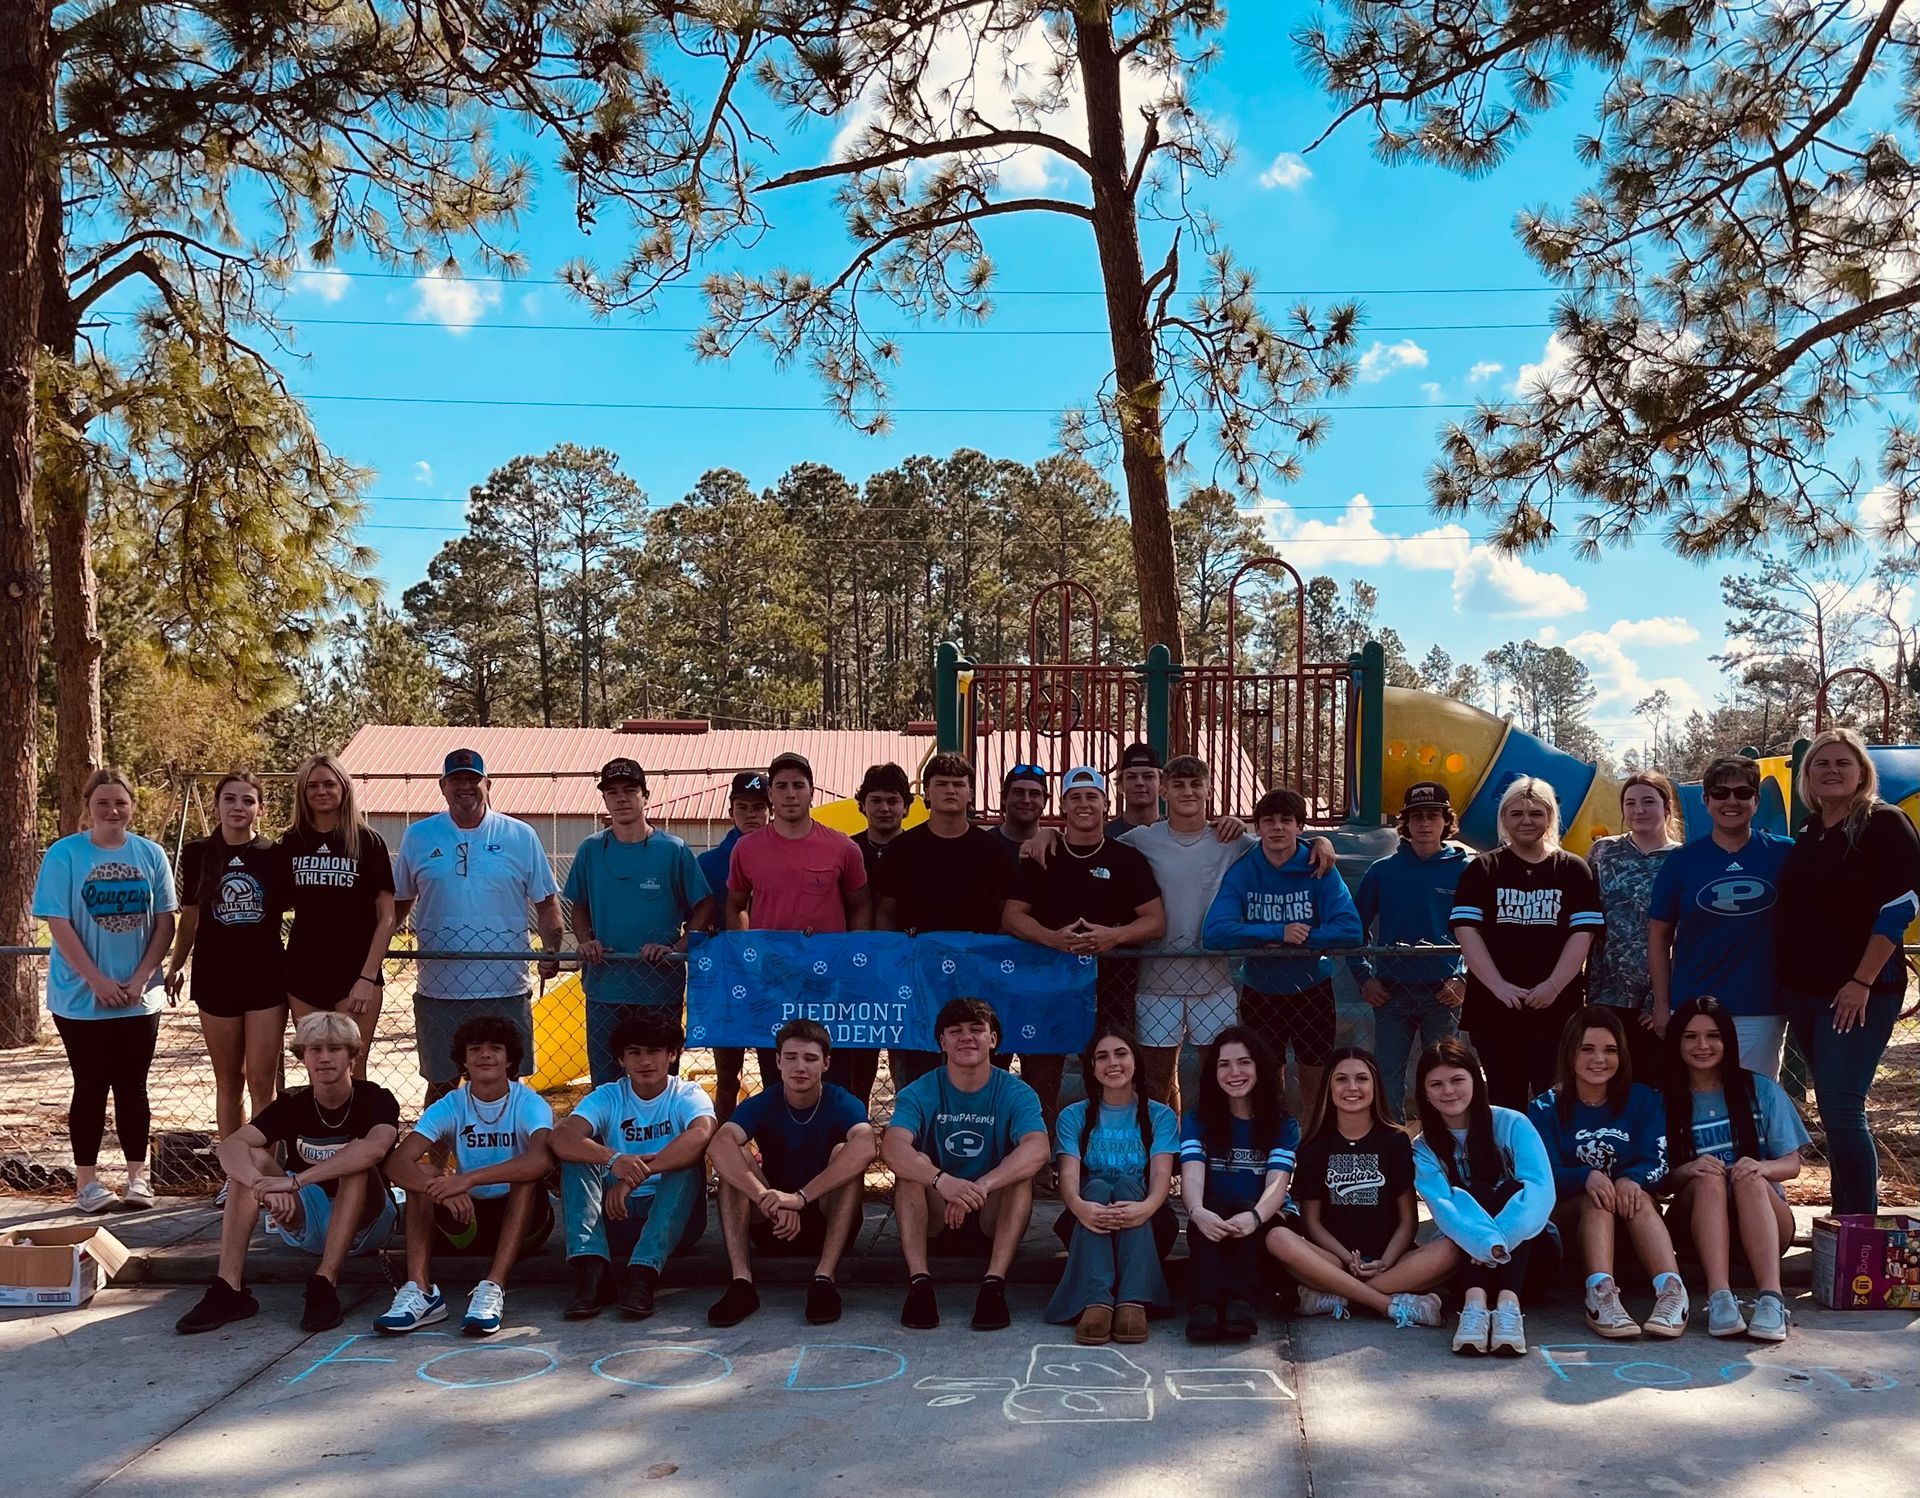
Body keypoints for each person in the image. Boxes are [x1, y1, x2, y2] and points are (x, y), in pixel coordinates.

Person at [175, 1012, 400, 1335]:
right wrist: (262, 1186)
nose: (324, 1058)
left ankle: (325, 1283)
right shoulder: (293, 1102)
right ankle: (229, 1288)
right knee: (248, 1157)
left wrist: (294, 1181)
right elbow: (230, 1147)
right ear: (302, 1057)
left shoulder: (376, 1099)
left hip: (367, 1223)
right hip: (305, 1217)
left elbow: (375, 1150)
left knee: (356, 1161)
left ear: (353, 1054)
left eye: (335, 1048)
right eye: (314, 1049)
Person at [1774, 726, 1920, 1215]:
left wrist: (1861, 981)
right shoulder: (1810, 833)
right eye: (1822, 763)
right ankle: (1840, 1227)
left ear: (1862, 772)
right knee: (1832, 1111)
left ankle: (1858, 1225)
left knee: (1841, 1108)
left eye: (1842, 763)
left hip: (1859, 991)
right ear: (1808, 777)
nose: (1832, 771)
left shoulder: (1884, 824)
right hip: (1805, 993)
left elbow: (1899, 909)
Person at [33, 767, 176, 1214]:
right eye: (102, 803)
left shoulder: (151, 854)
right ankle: (88, 1183)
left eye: (120, 802)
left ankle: (138, 1180)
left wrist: (138, 980)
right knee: (90, 1086)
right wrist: (96, 979)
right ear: (88, 807)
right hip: (81, 999)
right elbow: (59, 922)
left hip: (137, 999)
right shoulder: (65, 855)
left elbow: (165, 920)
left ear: (132, 806)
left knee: (133, 1088)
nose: (112, 811)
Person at [393, 747, 563, 1104]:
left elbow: (546, 902)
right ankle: (435, 1162)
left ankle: (510, 1159)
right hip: (440, 989)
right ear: (442, 786)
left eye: (473, 780)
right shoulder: (419, 835)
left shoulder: (520, 835)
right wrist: (375, 950)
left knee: (508, 1084)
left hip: (505, 986)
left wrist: (551, 950)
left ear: (488, 784)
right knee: (441, 1086)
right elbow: (398, 903)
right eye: (456, 780)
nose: (465, 787)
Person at [1002, 766, 1166, 1134]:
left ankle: (1112, 1154)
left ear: (1106, 805)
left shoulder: (1127, 859)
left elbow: (1155, 922)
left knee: (1113, 1077)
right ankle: (1040, 1161)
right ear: (1062, 806)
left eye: (1091, 796)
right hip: (1048, 990)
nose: (1083, 804)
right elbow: (1013, 916)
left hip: (1111, 990)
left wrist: (1114, 936)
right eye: (1075, 797)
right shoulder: (1043, 856)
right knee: (1041, 1079)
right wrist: (1052, 939)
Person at [378, 1016, 556, 1337]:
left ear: (510, 1059)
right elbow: (397, 1162)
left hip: (525, 1221)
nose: (485, 1055)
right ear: (463, 1060)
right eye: (475, 1049)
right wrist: (438, 1188)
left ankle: (493, 1286)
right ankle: (420, 1290)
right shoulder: (452, 1104)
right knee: (424, 1171)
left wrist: (468, 1179)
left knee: (525, 1176)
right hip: (468, 1218)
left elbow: (541, 1160)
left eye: (495, 1048)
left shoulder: (529, 1102)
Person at [883, 998, 1049, 1331]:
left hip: (990, 1213)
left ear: (994, 1039)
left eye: (977, 1030)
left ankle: (993, 1286)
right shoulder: (920, 1091)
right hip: (935, 1215)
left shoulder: (1017, 1092)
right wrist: (942, 1181)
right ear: (942, 1042)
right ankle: (919, 1284)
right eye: (955, 1031)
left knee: (1019, 1172)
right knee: (913, 1167)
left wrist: (982, 1185)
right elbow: (891, 1147)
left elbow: (1039, 1148)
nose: (967, 1038)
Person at [1526, 1006, 1687, 1340]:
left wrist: (1632, 1178)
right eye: (1587, 1049)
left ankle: (1672, 1293)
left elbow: (1658, 1160)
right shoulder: (1544, 1109)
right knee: (1595, 1197)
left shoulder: (1644, 1100)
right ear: (1569, 1053)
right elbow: (1540, 1173)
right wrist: (1584, 1176)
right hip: (1569, 1227)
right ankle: (1601, 1295)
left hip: (1633, 1220)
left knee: (1637, 1193)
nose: (1599, 1059)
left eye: (1610, 1050)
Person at [706, 1019, 876, 1328]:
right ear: (778, 1061)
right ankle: (741, 1283)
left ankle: (825, 1280)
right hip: (771, 1221)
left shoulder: (841, 1101)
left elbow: (866, 1147)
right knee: (736, 1155)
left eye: (810, 1059)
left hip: (826, 1219)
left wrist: (800, 1198)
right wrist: (766, 1198)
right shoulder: (764, 1101)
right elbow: (718, 1145)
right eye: (792, 1057)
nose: (800, 1067)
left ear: (826, 1063)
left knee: (846, 1154)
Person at [1266, 1047, 1454, 1327]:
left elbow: (1408, 1220)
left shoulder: (1396, 1141)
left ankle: (1337, 1295)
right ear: (1328, 1087)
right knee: (1277, 1238)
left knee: (1449, 1249)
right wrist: (1346, 1259)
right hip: (1334, 1261)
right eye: (1341, 1079)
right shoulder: (1314, 1146)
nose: (1352, 1087)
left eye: (1362, 1079)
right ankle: (1388, 1304)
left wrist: (1387, 1261)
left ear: (1375, 1085)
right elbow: (1311, 1222)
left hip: (1391, 1261)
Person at [1204, 786, 1363, 1115]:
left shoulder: (1318, 868)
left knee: (1315, 1074)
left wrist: (1300, 939)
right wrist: (1274, 932)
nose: (1277, 827)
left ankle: (1312, 1143)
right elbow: (1214, 932)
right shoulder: (1244, 870)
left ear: (1300, 827)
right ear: (1257, 828)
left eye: (1286, 820)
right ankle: (1272, 1142)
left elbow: (1350, 930)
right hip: (1260, 990)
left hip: (1311, 988)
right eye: (1269, 821)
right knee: (1265, 1077)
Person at [1450, 776, 1604, 1109]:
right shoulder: (1483, 869)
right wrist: (1499, 987)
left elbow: (1583, 934)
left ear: (1550, 818)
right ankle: (1508, 1162)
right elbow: (1467, 932)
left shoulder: (1573, 870)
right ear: (1503, 818)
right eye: (1516, 813)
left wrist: (1553, 986)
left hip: (1557, 1010)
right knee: (1505, 1101)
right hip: (1495, 1010)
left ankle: (1555, 1163)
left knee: (1558, 1100)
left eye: (1535, 813)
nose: (1526, 821)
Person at [551, 1009, 716, 1320]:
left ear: (672, 1055)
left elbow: (702, 1134)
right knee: (577, 1160)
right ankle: (593, 1273)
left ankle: (643, 1276)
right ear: (620, 1060)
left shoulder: (686, 1093)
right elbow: (561, 1137)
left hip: (675, 1220)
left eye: (654, 1051)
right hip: (618, 1215)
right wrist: (613, 1160)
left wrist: (635, 1175)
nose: (645, 1062)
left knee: (686, 1164)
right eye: (634, 1053)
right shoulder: (610, 1095)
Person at [1660, 997, 1805, 1342]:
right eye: (1690, 1037)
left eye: (1713, 1036)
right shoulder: (1662, 1099)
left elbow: (1792, 1164)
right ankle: (1720, 1297)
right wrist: (1688, 1169)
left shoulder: (1760, 1089)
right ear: (1676, 1041)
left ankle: (1771, 1299)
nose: (1702, 1046)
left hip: (1765, 1223)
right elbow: (1659, 1181)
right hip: (1696, 1229)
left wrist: (1762, 1168)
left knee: (1748, 1177)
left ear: (1728, 1040)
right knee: (1710, 1177)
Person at [727, 750, 872, 1094]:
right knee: (777, 1072)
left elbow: (861, 904)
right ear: (771, 796)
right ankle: (781, 1145)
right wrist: (748, 950)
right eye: (781, 786)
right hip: (772, 980)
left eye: (798, 785)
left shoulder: (843, 848)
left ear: (812, 792)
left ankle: (834, 1145)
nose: (790, 793)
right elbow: (735, 905)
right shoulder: (746, 850)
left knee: (831, 1074)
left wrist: (852, 953)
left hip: (829, 984)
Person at [564, 757, 714, 1084]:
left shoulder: (673, 850)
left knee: (658, 1082)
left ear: (645, 796)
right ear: (604, 799)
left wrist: (679, 947)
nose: (621, 799)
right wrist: (586, 940)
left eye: (630, 790)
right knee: (607, 1083)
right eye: (612, 792)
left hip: (658, 988)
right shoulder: (590, 850)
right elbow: (579, 905)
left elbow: (704, 904)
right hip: (606, 985)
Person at [165, 771, 289, 1159]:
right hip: (215, 978)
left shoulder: (273, 854)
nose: (239, 807)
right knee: (228, 1080)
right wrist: (177, 963)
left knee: (261, 1083)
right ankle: (234, 1171)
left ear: (260, 809)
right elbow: (190, 917)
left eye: (248, 800)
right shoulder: (199, 851)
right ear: (217, 805)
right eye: (230, 799)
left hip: (266, 979)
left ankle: (264, 1168)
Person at [1648, 755, 1794, 1080]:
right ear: (1705, 800)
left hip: (1761, 1007)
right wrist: (1661, 1004)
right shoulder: (1681, 862)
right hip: (1693, 1005)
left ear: (1756, 800)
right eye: (1720, 793)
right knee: (1693, 1102)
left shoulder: (1785, 854)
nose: (1731, 801)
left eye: (1743, 793)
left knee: (1755, 1104)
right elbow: (1658, 935)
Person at [877, 753, 1016, 1086]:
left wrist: (989, 956)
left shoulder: (994, 851)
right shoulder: (902, 849)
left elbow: (1008, 913)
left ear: (970, 794)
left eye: (958, 784)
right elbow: (884, 910)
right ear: (926, 792)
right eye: (941, 784)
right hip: (917, 980)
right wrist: (893, 955)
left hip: (981, 979)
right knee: (918, 1073)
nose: (950, 791)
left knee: (982, 1070)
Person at [1413, 1038, 1555, 1357]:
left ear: (1476, 1079)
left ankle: (1508, 1309)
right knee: (1471, 1193)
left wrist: (1494, 1242)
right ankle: (1474, 1309)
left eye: (1457, 1080)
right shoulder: (1423, 1148)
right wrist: (1483, 1242)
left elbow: (1541, 1191)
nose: (1448, 1091)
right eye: (1436, 1084)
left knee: (1509, 1190)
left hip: (1532, 1263)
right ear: (1424, 1092)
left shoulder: (1513, 1123)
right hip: (1466, 1269)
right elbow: (1444, 1207)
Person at [1045, 1025, 1179, 1344]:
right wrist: (1080, 1208)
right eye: (1101, 1056)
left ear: (1136, 1061)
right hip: (1087, 1218)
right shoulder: (1073, 1115)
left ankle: (1133, 1301)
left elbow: (1162, 1177)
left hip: (1149, 1221)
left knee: (1131, 1185)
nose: (1112, 1063)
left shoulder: (1160, 1115)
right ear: (1091, 1067)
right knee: (1097, 1188)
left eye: (1121, 1053)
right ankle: (1097, 1302)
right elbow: (1068, 1177)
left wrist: (1145, 1208)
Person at [1350, 781, 1469, 1122]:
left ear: (1447, 821)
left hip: (1444, 991)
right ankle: (1394, 1149)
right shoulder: (1383, 871)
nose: (1424, 823)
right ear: (1405, 823)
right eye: (1416, 816)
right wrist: (1364, 979)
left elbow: (1482, 935)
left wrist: (1464, 979)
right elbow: (1352, 931)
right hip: (1391, 991)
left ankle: (1442, 1145)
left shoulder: (1465, 871)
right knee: (1387, 1076)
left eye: (1433, 815)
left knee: (1443, 1074)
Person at [279, 753, 397, 1077]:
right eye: (313, 785)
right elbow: (275, 904)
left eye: (329, 784)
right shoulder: (292, 842)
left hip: (355, 977)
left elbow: (387, 917)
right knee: (318, 1070)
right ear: (303, 793)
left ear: (344, 788)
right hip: (303, 974)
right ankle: (319, 1131)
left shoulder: (368, 842)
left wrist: (366, 977)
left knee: (352, 1071)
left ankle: (356, 1131)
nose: (322, 791)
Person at [1178, 1025, 1297, 1342]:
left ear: (1259, 1066)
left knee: (1244, 1207)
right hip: (1215, 1218)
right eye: (1224, 1064)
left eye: (1244, 1062)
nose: (1234, 1072)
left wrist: (1255, 1216)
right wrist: (1196, 1211)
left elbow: (1276, 1185)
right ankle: (1202, 1306)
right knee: (1208, 1211)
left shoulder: (1283, 1123)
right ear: (1212, 1072)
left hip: (1264, 1219)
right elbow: (1191, 1175)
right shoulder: (1197, 1119)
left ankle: (1241, 1303)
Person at [1585, 773, 1681, 1088]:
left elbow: (1689, 934)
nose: (1639, 810)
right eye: (1630, 803)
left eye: (1648, 801)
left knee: (1656, 1088)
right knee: (1610, 1084)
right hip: (1606, 993)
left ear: (1667, 808)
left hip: (1660, 999)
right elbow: (1584, 918)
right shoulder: (1603, 852)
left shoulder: (1683, 859)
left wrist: (1662, 1000)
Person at [700, 770, 772, 1126]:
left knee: (776, 1070)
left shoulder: (782, 859)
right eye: (742, 807)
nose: (751, 815)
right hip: (724, 982)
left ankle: (775, 1148)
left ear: (770, 811)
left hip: (773, 980)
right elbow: (693, 917)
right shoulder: (709, 863)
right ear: (731, 811)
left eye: (759, 808)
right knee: (727, 1072)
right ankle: (722, 1151)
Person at [851, 761, 912, 886]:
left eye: (892, 801)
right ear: (863, 805)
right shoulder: (847, 850)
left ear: (906, 806)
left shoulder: (918, 852)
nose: (884, 808)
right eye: (876, 801)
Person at [994, 763, 1050, 858]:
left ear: (1044, 801)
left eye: (1034, 794)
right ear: (1004, 798)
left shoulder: (1054, 849)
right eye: (1018, 793)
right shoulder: (983, 844)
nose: (1026, 800)